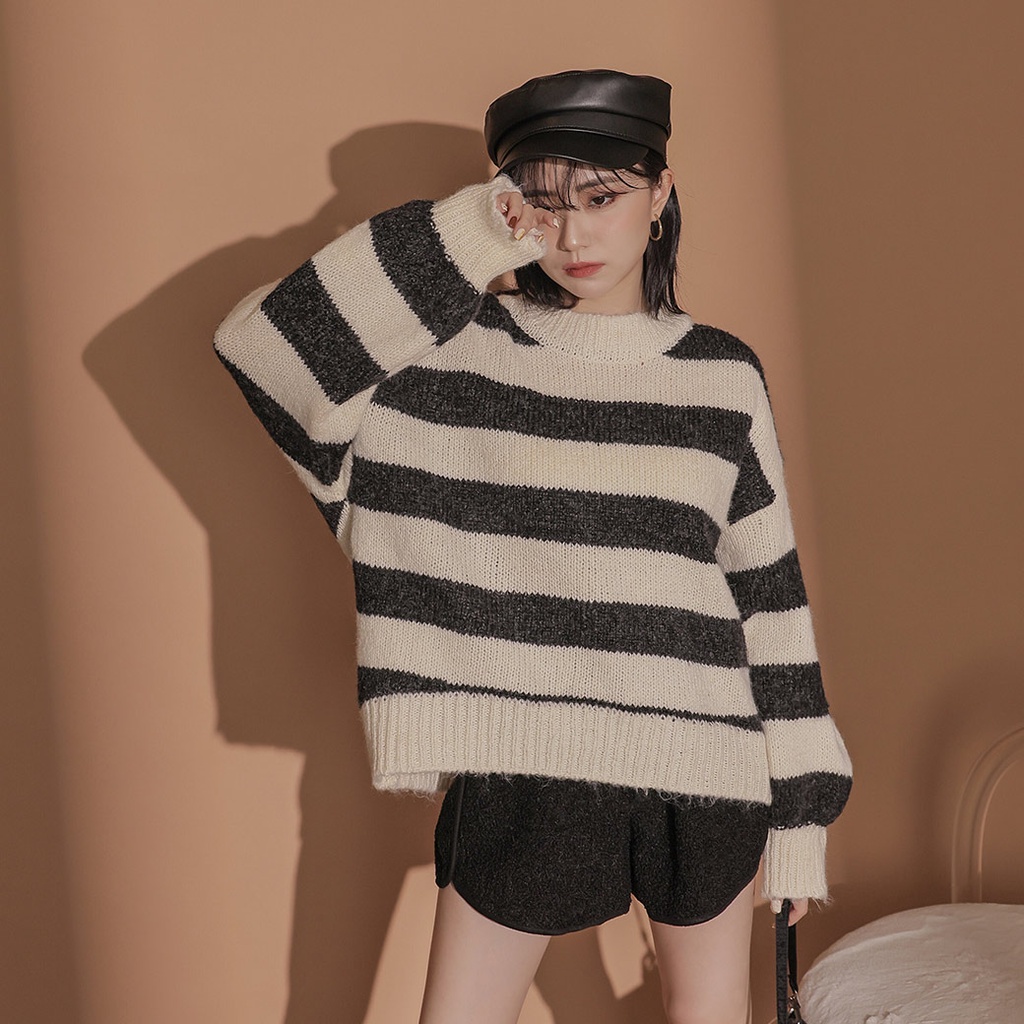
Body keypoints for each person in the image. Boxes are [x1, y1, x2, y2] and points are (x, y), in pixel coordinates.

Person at [214, 69, 852, 1024]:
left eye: (601, 198)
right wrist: (470, 233)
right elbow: (266, 349)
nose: (573, 235)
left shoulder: (724, 377)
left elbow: (770, 598)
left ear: (661, 194)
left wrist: (800, 818)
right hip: (524, 763)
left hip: (709, 767)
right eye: (542, 204)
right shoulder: (449, 358)